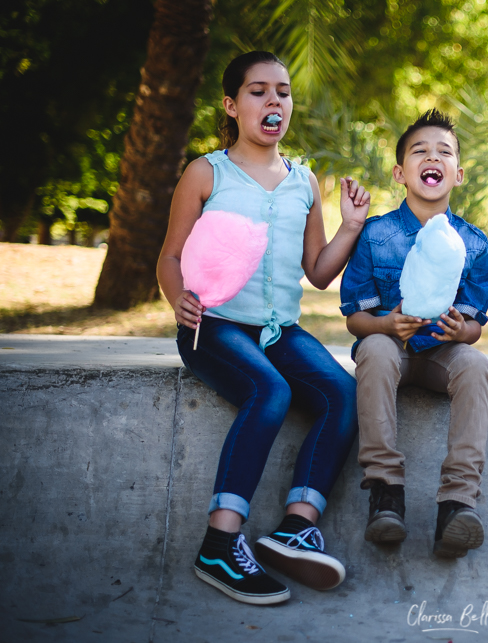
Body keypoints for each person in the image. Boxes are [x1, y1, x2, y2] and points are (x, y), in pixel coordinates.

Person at [157, 51, 370, 604]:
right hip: (216, 326)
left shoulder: (304, 180)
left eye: (284, 90)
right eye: (258, 91)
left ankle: (297, 524)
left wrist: (350, 227)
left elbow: (318, 272)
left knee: (343, 394)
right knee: (269, 389)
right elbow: (171, 256)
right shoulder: (207, 172)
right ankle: (219, 543)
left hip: (281, 331)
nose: (274, 100)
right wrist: (180, 300)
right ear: (231, 106)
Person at [339, 109, 488, 558]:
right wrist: (388, 324)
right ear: (400, 172)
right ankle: (386, 491)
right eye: (420, 151)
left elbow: (473, 327)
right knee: (374, 348)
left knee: (476, 367)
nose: (433, 157)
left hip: (441, 356)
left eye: (444, 152)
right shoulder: (376, 235)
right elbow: (356, 318)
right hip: (392, 351)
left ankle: (458, 502)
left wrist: (458, 330)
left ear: (458, 174)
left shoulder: (474, 243)